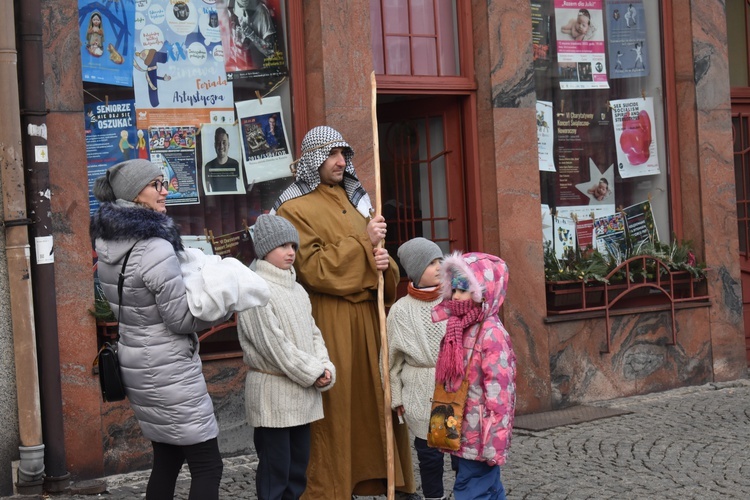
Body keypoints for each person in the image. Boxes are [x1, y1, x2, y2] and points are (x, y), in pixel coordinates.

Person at [272, 126, 417, 499]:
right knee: (337, 409)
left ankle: (379, 480)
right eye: (332, 154)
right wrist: (363, 244)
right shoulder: (293, 209)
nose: (340, 162)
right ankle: (332, 488)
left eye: (343, 154)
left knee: (376, 404)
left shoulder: (357, 202)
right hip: (330, 320)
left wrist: (385, 264)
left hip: (370, 321)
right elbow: (312, 268)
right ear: (313, 160)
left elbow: (378, 260)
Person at [89, 159, 228, 500]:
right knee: (208, 465)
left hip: (137, 362)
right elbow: (179, 319)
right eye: (156, 185)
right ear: (135, 195)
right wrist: (221, 308)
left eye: (164, 183)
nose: (165, 191)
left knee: (167, 458)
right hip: (170, 370)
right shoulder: (155, 246)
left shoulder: (109, 246)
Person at [238, 214, 336, 500]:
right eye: (282, 245)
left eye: (293, 245)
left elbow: (313, 333)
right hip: (273, 397)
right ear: (265, 249)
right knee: (275, 473)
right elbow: (275, 347)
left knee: (296, 471)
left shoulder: (298, 289)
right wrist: (314, 373)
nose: (291, 252)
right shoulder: (255, 290)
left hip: (302, 396)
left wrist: (325, 367)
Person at [431, 252, 516, 500]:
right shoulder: (459, 326)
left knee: (471, 490)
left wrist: (495, 442)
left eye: (463, 290)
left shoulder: (491, 334)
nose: (456, 296)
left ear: (483, 292)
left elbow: (500, 394)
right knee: (486, 488)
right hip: (459, 429)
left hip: (481, 436)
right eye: (454, 290)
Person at [387, 237, 458, 500]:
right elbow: (391, 360)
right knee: (430, 457)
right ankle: (434, 497)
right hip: (420, 392)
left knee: (459, 454)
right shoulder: (400, 311)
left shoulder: (455, 300)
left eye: (440, 260)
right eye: (430, 263)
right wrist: (396, 397)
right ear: (416, 271)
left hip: (452, 391)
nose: (439, 266)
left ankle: (463, 494)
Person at [205, 127, 241, 193]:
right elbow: (206, 190)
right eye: (218, 143)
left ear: (228, 145)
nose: (221, 146)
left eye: (224, 143)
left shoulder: (235, 164)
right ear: (214, 145)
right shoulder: (208, 166)